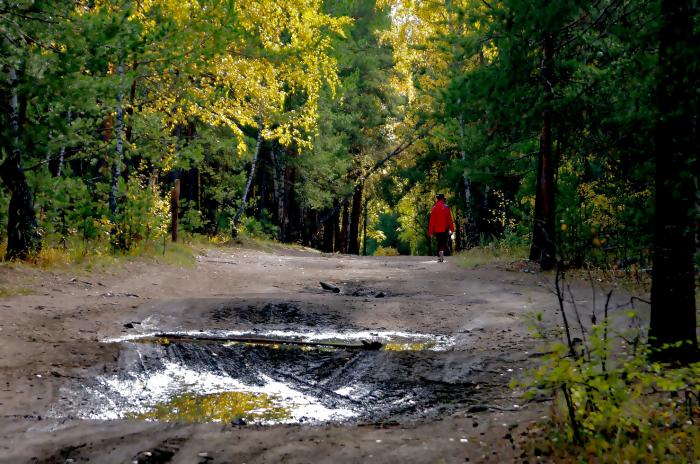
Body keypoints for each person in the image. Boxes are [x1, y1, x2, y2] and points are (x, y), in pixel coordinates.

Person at [428, 194, 454, 262]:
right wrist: (452, 229)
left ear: (437, 199)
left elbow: (432, 221)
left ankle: (440, 256)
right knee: (444, 241)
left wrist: (431, 232)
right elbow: (449, 219)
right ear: (443, 199)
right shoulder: (446, 207)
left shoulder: (434, 208)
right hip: (445, 228)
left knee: (439, 242)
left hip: (437, 229)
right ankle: (442, 254)